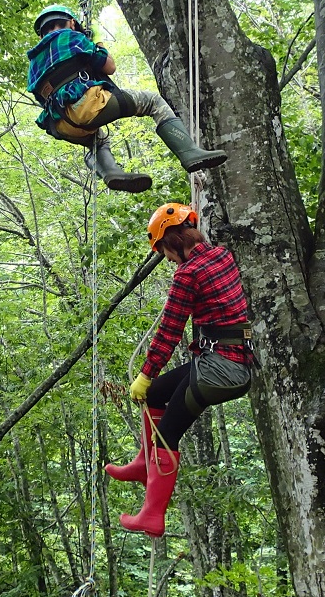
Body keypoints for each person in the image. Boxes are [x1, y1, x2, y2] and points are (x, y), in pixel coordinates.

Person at [105, 202, 253, 537]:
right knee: (157, 396)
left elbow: (170, 331)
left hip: (221, 370)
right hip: (226, 360)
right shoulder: (221, 255)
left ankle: (152, 516)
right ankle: (145, 464)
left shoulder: (188, 274)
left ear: (172, 241)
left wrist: (145, 373)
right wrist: (151, 383)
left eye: (164, 251)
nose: (167, 260)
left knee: (167, 435)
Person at [26, 5, 227, 193]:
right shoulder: (71, 38)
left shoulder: (33, 63)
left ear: (42, 32)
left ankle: (111, 172)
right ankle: (189, 152)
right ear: (71, 22)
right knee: (152, 102)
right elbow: (109, 67)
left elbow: (41, 97)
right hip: (89, 105)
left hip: (60, 124)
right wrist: (96, 41)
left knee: (97, 139)